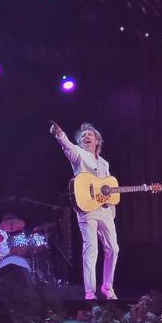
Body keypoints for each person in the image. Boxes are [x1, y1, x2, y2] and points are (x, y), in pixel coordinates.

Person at [50, 121, 119, 300]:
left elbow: (107, 187)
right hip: (87, 208)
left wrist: (111, 210)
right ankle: (90, 292)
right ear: (80, 143)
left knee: (113, 248)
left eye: (90, 134)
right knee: (91, 249)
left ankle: (107, 287)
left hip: (105, 210)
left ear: (97, 140)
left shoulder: (104, 163)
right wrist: (59, 133)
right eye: (83, 136)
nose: (86, 136)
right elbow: (67, 146)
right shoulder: (78, 154)